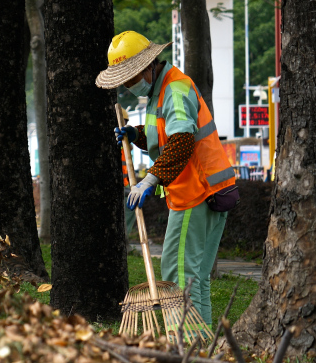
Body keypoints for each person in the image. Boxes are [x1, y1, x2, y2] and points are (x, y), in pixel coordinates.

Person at [95, 31, 238, 326]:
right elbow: (165, 137)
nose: (127, 85)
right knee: (194, 278)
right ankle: (200, 347)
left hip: (195, 195)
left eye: (131, 77)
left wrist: (151, 179)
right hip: (207, 191)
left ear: (148, 66)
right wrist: (136, 135)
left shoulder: (173, 89)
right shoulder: (160, 91)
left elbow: (182, 140)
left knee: (178, 276)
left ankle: (186, 347)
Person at [120, 108, 136, 241]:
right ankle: (122, 240)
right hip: (121, 187)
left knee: (132, 206)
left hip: (125, 185)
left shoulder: (125, 141)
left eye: (125, 122)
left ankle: (124, 240)